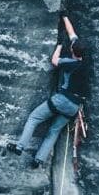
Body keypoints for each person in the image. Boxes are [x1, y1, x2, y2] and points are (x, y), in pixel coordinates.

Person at [11, 14, 87, 167]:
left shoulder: (70, 63)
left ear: (72, 50)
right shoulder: (86, 61)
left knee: (34, 118)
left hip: (62, 100)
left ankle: (20, 147)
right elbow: (72, 33)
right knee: (54, 131)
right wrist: (66, 17)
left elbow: (54, 61)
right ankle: (38, 160)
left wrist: (59, 45)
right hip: (74, 107)